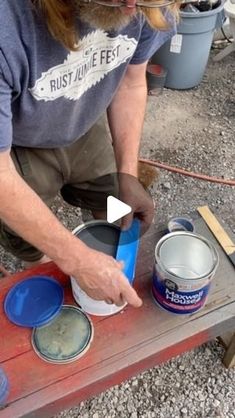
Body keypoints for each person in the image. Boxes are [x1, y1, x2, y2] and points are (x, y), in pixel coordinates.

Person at [0, 0, 177, 307]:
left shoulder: (151, 6)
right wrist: (76, 261)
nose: (132, 6)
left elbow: (130, 83)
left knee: (112, 201)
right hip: (16, 142)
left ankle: (109, 258)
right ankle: (48, 275)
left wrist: (128, 173)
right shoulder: (8, 23)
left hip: (81, 117)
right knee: (27, 235)